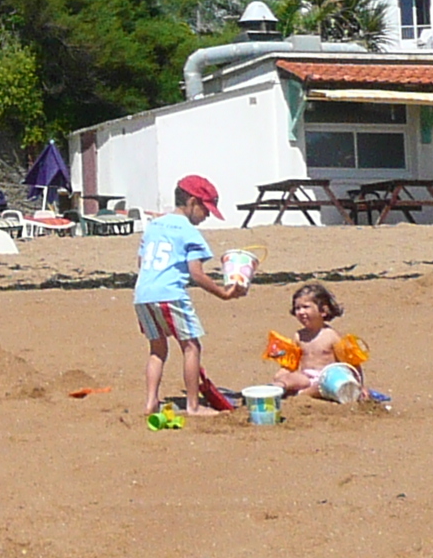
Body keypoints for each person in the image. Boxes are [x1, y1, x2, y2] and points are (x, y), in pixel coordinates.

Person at [136, 175, 248, 427]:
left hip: (143, 293)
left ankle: (150, 401)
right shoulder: (189, 232)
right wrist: (223, 292)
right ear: (192, 201)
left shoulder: (154, 225)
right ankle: (193, 406)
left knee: (157, 349)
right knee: (191, 346)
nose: (206, 216)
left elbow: (141, 262)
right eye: (205, 210)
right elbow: (197, 274)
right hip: (170, 294)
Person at [274, 282, 368, 401]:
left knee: (322, 386)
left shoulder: (331, 336)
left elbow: (352, 364)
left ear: (323, 311)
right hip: (305, 377)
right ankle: (275, 389)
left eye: (306, 307)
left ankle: (300, 395)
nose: (301, 312)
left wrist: (361, 385)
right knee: (287, 378)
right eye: (297, 308)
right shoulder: (299, 336)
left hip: (327, 379)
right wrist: (281, 376)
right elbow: (291, 364)